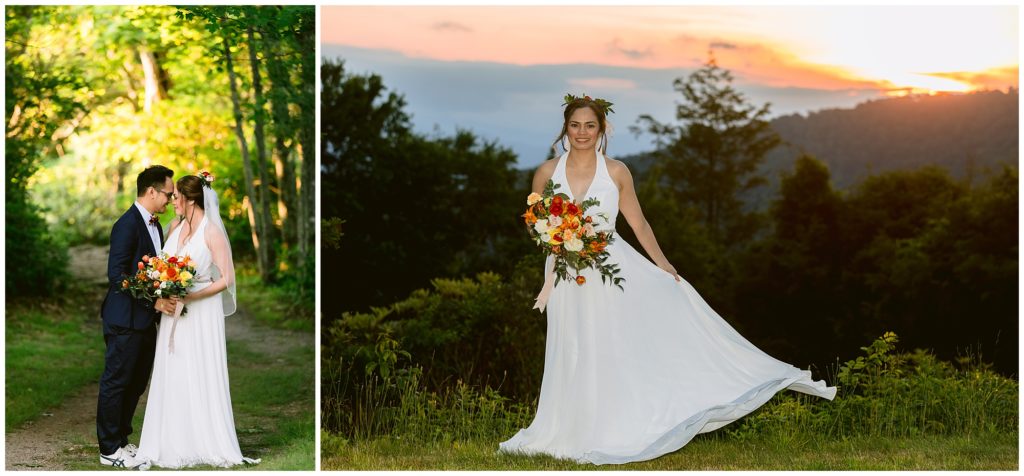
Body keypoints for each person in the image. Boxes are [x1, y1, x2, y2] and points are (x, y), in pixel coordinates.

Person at [498, 95, 836, 465]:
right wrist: (558, 239)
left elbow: (639, 224)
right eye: (575, 125)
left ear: (602, 129)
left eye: (589, 125)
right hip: (564, 274)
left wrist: (664, 266)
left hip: (612, 272)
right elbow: (536, 225)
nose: (582, 132)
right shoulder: (547, 172)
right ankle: (567, 427)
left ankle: (610, 427)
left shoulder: (616, 172)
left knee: (608, 346)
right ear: (565, 128)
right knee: (571, 346)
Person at [133, 172, 258, 469]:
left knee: (198, 368)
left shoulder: (211, 232)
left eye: (176, 197)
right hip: (174, 311)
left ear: (189, 199)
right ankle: (171, 439)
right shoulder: (175, 227)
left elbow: (227, 278)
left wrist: (192, 296)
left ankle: (206, 438)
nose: (172, 201)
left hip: (201, 312)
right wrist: (165, 286)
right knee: (174, 370)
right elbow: (164, 265)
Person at [98, 165, 179, 468]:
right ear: (151, 192)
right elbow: (116, 275)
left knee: (136, 383)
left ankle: (121, 440)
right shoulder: (127, 224)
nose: (170, 201)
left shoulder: (155, 225)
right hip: (124, 319)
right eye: (168, 195)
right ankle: (108, 449)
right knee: (117, 382)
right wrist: (153, 302)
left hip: (145, 321)